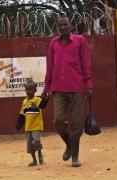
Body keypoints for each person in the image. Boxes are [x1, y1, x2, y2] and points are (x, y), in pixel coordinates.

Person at [41, 14, 93, 167]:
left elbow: (86, 64)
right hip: (58, 89)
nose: (63, 27)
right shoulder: (54, 43)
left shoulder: (80, 41)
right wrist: (46, 88)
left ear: (70, 26)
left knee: (76, 123)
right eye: (60, 25)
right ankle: (69, 144)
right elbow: (50, 67)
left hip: (76, 88)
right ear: (58, 27)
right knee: (58, 121)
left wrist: (89, 85)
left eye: (65, 24)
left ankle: (75, 156)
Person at [16, 80, 48, 166]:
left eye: (31, 89)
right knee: (30, 145)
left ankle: (40, 154)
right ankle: (34, 160)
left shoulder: (37, 100)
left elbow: (43, 105)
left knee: (36, 141)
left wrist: (45, 98)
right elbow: (22, 115)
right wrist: (18, 126)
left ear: (35, 90)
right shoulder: (24, 102)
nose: (28, 91)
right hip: (28, 127)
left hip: (37, 126)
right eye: (27, 89)